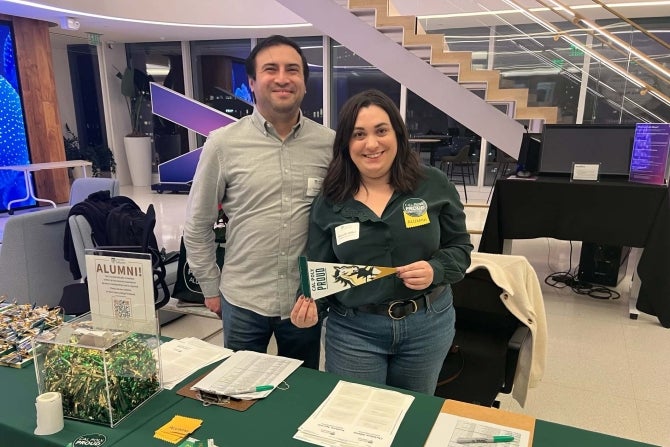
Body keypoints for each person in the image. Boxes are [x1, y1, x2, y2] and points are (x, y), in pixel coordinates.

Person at [291, 89, 473, 393]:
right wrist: (309, 307)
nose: (371, 144)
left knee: (413, 416)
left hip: (427, 325)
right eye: (359, 134)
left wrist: (436, 270)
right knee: (357, 423)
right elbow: (318, 268)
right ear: (346, 143)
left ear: (398, 135)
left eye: (381, 131)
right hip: (354, 331)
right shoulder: (330, 199)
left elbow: (461, 248)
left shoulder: (433, 185)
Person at [183, 35, 335, 369]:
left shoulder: (329, 144)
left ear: (304, 84)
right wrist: (210, 287)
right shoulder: (224, 144)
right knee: (237, 393)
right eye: (271, 69)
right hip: (243, 299)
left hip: (304, 301)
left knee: (300, 393)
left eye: (292, 70)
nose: (282, 78)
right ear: (252, 83)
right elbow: (197, 224)